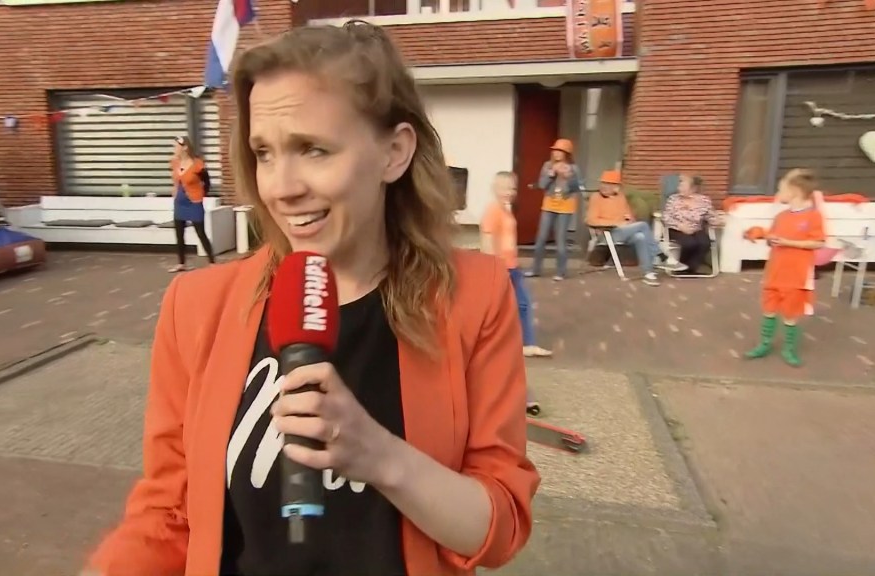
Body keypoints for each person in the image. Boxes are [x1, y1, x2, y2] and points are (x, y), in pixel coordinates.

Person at [83, 20, 539, 576]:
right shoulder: (197, 306)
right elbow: (169, 515)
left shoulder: (473, 298)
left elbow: (499, 527)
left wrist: (381, 456)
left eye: (313, 149)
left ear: (394, 152)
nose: (281, 187)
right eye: (264, 153)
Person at [744, 169, 826, 367]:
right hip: (774, 272)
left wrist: (788, 242)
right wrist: (762, 235)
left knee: (790, 315)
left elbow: (818, 242)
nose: (778, 193)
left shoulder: (813, 216)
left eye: (781, 189)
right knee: (769, 310)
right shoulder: (781, 216)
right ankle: (764, 344)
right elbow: (774, 238)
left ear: (795, 191)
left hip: (796, 276)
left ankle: (788, 349)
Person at [481, 171, 553, 361]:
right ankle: (493, 347)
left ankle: (525, 344)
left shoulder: (506, 210)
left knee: (522, 304)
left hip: (512, 266)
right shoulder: (493, 211)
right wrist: (494, 269)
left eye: (512, 188)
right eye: (504, 188)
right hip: (501, 268)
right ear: (495, 188)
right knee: (500, 308)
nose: (509, 192)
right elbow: (487, 240)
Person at [585, 170, 686, 286]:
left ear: (616, 187)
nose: (604, 186)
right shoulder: (596, 198)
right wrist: (616, 223)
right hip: (607, 233)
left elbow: (629, 216)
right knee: (643, 225)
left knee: (640, 237)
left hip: (624, 232)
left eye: (609, 184)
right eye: (603, 183)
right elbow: (591, 220)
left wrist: (630, 220)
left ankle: (648, 273)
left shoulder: (620, 197)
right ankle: (662, 256)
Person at [525, 138, 583, 281]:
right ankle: (535, 269)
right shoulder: (547, 165)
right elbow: (542, 185)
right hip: (549, 205)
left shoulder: (574, 168)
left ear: (567, 153)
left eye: (560, 151)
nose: (556, 153)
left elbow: (577, 187)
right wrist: (551, 174)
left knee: (560, 239)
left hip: (566, 206)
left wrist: (568, 176)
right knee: (541, 237)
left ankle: (561, 272)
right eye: (555, 150)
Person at [168, 135, 216, 272]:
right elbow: (175, 180)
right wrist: (174, 190)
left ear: (185, 148)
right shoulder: (174, 163)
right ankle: (181, 263)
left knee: (200, 232)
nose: (174, 149)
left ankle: (212, 262)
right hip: (180, 203)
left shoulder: (197, 164)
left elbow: (207, 182)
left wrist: (202, 194)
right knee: (179, 234)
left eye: (176, 146)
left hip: (194, 203)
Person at [661, 174, 723, 274]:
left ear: (693, 188)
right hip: (676, 229)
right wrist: (680, 226)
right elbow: (665, 217)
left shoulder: (704, 201)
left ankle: (690, 269)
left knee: (704, 243)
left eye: (682, 185)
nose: (679, 188)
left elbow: (710, 215)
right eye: (679, 185)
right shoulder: (673, 199)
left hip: (696, 229)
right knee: (689, 243)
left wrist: (717, 221)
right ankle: (681, 268)